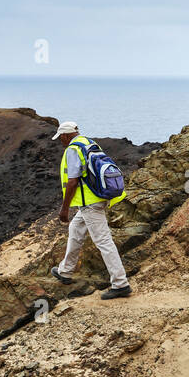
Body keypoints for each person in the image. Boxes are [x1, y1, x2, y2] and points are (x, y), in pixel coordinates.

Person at [49, 120, 132, 299]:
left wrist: (64, 209)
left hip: (90, 204)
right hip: (99, 198)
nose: (60, 142)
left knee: (103, 241)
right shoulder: (89, 143)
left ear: (65, 135)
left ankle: (120, 284)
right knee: (75, 229)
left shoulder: (72, 149)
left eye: (60, 138)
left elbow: (72, 181)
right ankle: (65, 271)